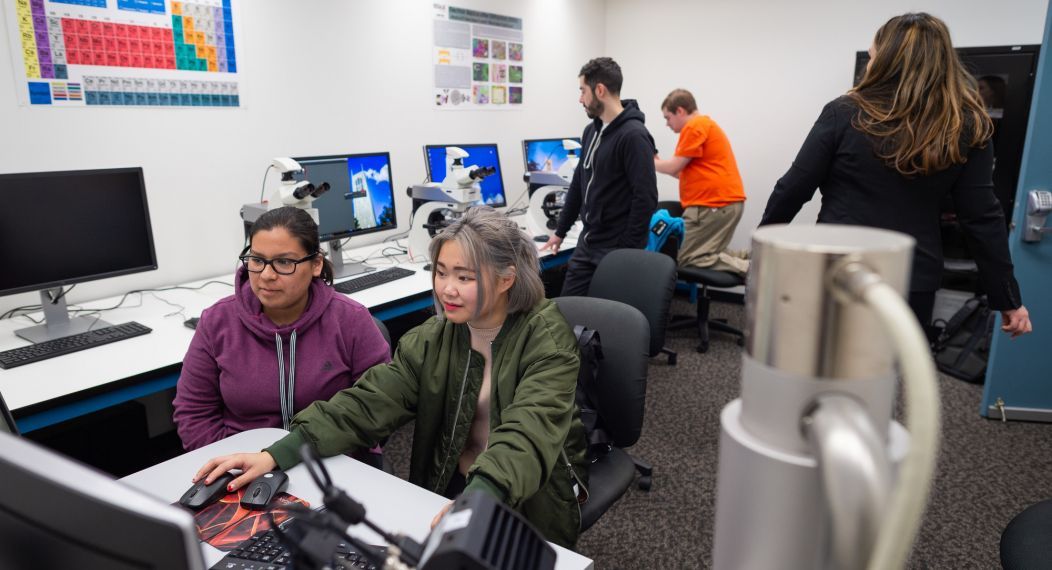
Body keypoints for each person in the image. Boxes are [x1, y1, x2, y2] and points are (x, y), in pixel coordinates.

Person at [192, 207, 589, 548]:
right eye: (441, 272)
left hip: (526, 497)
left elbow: (528, 433)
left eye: (465, 277)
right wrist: (279, 452)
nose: (447, 289)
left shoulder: (547, 341)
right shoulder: (435, 337)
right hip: (449, 483)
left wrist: (481, 498)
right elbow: (370, 402)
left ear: (506, 279)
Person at [759, 12, 1031, 338]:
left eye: (873, 57)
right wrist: (1008, 299)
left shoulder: (844, 112)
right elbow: (982, 217)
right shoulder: (966, 125)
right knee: (890, 378)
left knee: (830, 374)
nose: (869, 65)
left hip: (841, 269)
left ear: (886, 61)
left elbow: (793, 188)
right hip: (913, 277)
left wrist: (762, 251)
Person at [172, 207, 391, 459]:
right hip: (240, 464)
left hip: (332, 459)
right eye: (257, 260)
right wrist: (231, 464)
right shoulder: (217, 322)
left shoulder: (350, 319)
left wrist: (291, 458)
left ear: (316, 264)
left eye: (284, 262)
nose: (266, 275)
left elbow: (376, 408)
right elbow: (194, 412)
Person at [542, 56, 658, 296]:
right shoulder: (591, 131)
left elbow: (645, 198)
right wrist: (561, 231)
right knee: (567, 313)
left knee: (606, 322)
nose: (580, 98)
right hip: (588, 244)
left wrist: (627, 250)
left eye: (583, 91)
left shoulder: (634, 136)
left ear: (600, 90)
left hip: (616, 249)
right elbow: (578, 184)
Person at [654, 88, 749, 275]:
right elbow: (681, 173)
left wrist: (650, 162)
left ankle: (750, 268)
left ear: (680, 111)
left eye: (668, 118)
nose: (667, 124)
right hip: (725, 204)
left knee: (689, 257)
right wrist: (658, 163)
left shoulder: (694, 126)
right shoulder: (705, 125)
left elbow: (674, 167)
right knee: (710, 253)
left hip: (713, 204)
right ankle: (749, 258)